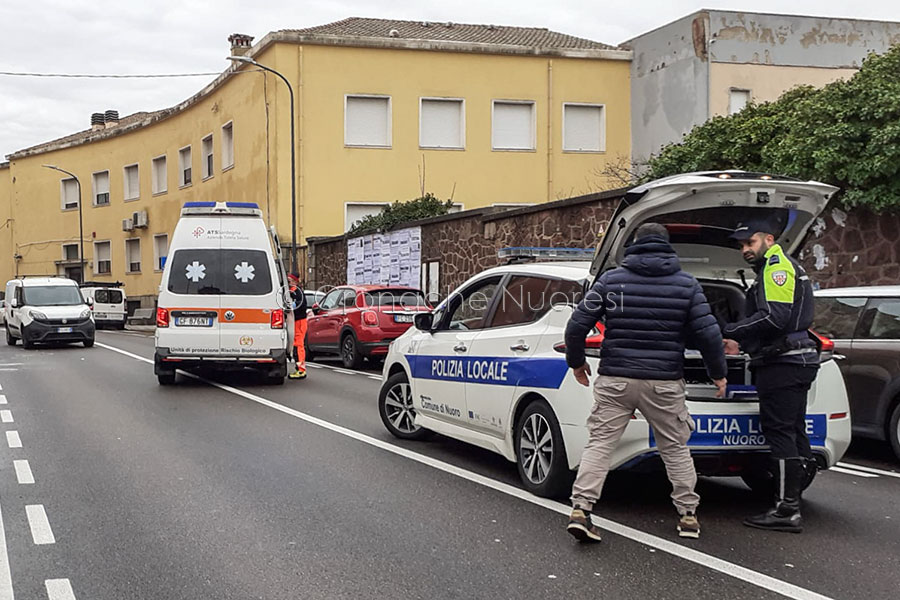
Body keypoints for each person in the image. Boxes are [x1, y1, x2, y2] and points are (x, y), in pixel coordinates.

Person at [564, 223, 728, 543]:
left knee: (600, 444)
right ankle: (688, 516)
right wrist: (717, 373)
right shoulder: (687, 284)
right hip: (664, 382)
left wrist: (577, 363)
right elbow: (709, 334)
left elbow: (576, 325)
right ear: (668, 247)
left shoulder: (612, 281)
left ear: (634, 245)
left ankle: (582, 509)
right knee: (675, 448)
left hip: (616, 379)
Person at [722, 219, 819, 533]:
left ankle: (786, 509)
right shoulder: (775, 268)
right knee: (793, 431)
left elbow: (774, 318)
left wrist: (731, 330)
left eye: (749, 243)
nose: (745, 250)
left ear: (768, 239)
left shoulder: (777, 266)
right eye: (742, 246)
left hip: (784, 362)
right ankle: (792, 500)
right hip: (797, 360)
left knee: (779, 432)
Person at [287, 273, 308, 380]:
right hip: (296, 321)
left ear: (295, 281)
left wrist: (292, 306)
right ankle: (299, 367)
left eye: (290, 280)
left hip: (299, 321)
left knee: (298, 344)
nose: (288, 282)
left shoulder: (297, 292)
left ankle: (301, 370)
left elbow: (301, 304)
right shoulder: (291, 291)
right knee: (296, 344)